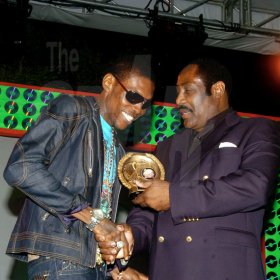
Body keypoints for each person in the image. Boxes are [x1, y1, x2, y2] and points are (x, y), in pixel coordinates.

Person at [98, 57, 280, 280]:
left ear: (218, 89)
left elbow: (255, 186)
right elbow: (147, 212)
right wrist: (130, 234)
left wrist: (174, 196)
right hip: (169, 271)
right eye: (178, 92)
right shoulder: (166, 147)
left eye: (188, 90)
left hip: (224, 271)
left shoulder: (255, 130)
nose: (179, 100)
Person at [3, 54, 155, 279]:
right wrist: (93, 218)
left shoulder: (117, 148)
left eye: (145, 104)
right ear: (109, 83)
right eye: (133, 97)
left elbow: (97, 216)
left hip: (90, 266)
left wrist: (114, 268)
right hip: (59, 258)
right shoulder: (72, 109)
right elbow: (20, 167)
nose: (138, 109)